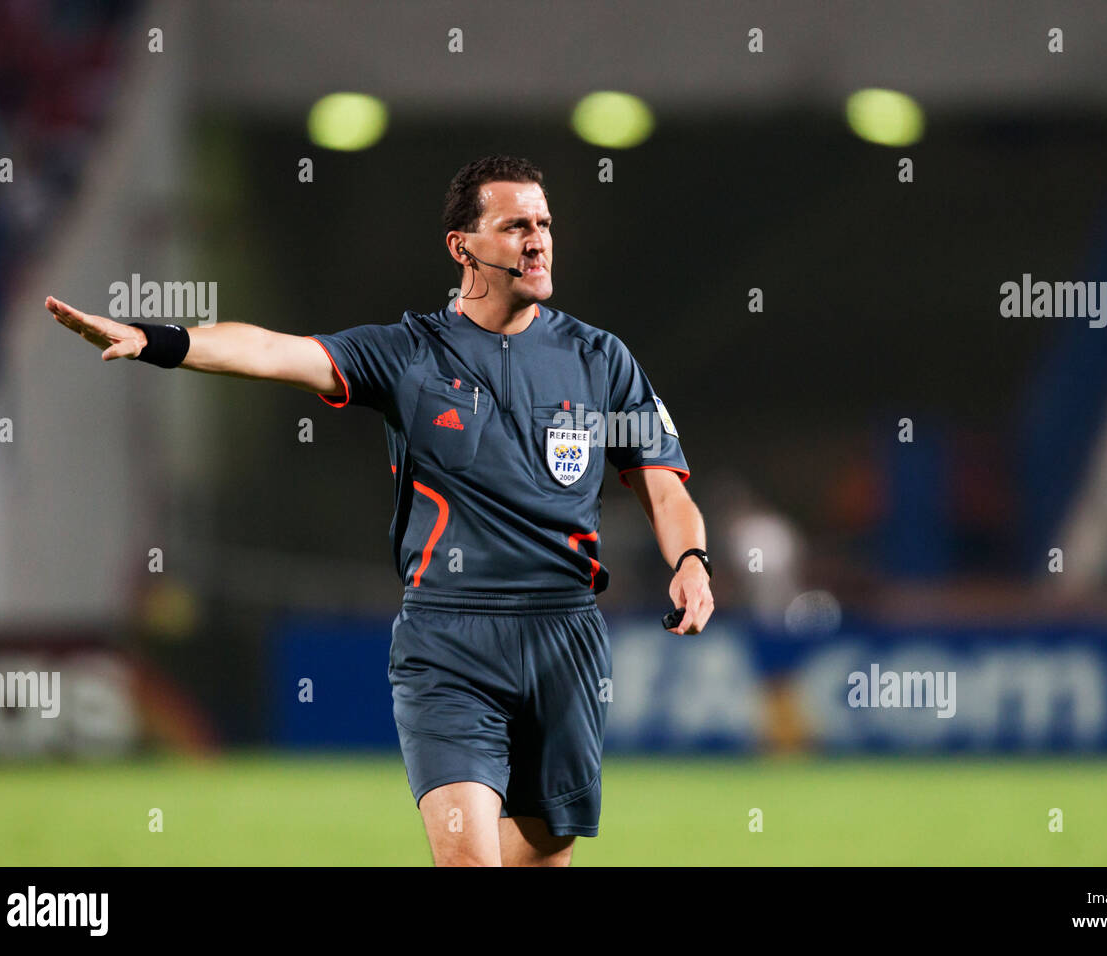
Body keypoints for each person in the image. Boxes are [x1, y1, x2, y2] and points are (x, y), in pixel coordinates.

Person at [44, 154, 714, 866]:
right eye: (516, 225)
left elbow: (664, 487)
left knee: (545, 850)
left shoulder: (600, 358)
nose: (539, 240)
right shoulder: (409, 355)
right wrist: (159, 341)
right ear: (463, 247)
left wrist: (692, 562)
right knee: (466, 858)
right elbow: (276, 352)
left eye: (544, 224)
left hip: (565, 639)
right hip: (448, 640)